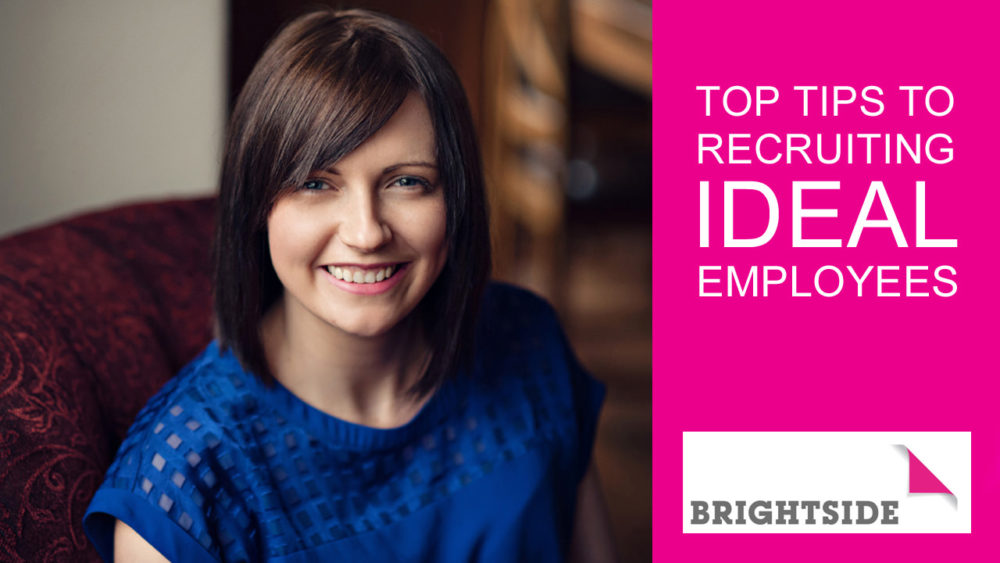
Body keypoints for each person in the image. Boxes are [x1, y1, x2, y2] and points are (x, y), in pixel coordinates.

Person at [83, 8, 614, 562]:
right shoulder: (183, 485)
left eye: (408, 182)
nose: (366, 232)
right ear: (257, 206)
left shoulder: (529, 341)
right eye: (316, 183)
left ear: (455, 199)